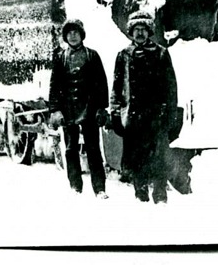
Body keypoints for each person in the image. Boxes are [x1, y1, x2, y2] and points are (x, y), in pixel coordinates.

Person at [111, 12, 180, 204]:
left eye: (143, 29)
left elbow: (171, 87)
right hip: (134, 117)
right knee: (137, 160)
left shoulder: (161, 53)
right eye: (136, 30)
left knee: (159, 159)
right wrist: (115, 114)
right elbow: (117, 88)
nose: (139, 33)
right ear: (131, 32)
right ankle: (140, 196)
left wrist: (170, 115)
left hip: (156, 117)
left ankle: (160, 197)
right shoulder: (123, 56)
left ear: (149, 31)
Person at [48, 19, 110, 199]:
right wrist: (55, 110)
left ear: (82, 35)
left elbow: (101, 84)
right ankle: (75, 186)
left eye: (76, 32)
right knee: (70, 149)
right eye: (69, 33)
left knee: (93, 149)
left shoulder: (92, 56)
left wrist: (101, 108)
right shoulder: (60, 57)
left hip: (89, 109)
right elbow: (55, 86)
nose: (73, 35)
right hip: (68, 110)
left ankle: (99, 188)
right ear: (65, 36)